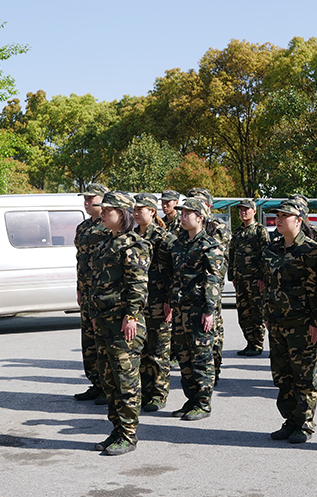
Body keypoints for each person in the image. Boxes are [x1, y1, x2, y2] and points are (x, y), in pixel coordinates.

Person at [87, 191, 150, 456]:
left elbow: (138, 285)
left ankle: (128, 434)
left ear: (121, 214)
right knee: (109, 380)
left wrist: (132, 316)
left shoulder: (134, 244)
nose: (102, 213)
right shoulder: (105, 243)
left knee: (126, 381)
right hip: (103, 321)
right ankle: (116, 430)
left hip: (123, 323)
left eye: (107, 210)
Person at [261, 199, 317, 445]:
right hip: (276, 322)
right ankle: (290, 420)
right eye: (278, 215)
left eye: (285, 215)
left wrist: (316, 321)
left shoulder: (310, 250)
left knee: (303, 376)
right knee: (282, 375)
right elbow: (266, 287)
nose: (279, 219)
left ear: (298, 221)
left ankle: (305, 424)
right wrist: (266, 315)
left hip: (301, 323)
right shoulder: (271, 249)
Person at [168, 197, 225, 421]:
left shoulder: (210, 245)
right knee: (184, 357)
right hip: (181, 309)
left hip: (200, 309)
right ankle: (191, 399)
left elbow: (213, 280)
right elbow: (175, 276)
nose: (182, 217)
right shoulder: (180, 244)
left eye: (187, 214)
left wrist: (209, 311)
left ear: (200, 217)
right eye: (181, 214)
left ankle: (203, 402)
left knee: (201, 357)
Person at [133, 193, 175, 412]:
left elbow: (172, 273)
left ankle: (158, 394)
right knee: (141, 350)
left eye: (142, 209)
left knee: (158, 350)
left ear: (152, 212)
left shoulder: (163, 237)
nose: (137, 212)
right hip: (139, 303)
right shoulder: (131, 236)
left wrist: (169, 300)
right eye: (135, 209)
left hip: (159, 301)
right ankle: (145, 391)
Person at [186, 188, 230, 385]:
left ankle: (214, 369)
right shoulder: (185, 228)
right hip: (190, 290)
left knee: (213, 330)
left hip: (212, 284)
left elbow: (215, 261)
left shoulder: (219, 228)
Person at [73, 183, 111, 404]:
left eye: (91, 198)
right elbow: (80, 260)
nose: (87, 202)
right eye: (85, 199)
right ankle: (96, 383)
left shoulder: (109, 227)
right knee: (88, 340)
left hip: (102, 292)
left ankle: (108, 386)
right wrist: (79, 288)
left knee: (103, 340)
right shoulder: (83, 227)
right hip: (86, 291)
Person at [228, 198, 269, 357]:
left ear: (253, 211)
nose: (243, 212)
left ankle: (257, 343)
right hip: (240, 279)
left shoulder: (260, 230)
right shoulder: (237, 232)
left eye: (246, 209)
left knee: (256, 312)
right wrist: (231, 273)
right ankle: (249, 342)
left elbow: (265, 255)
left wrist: (262, 277)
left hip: (254, 279)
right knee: (243, 313)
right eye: (241, 209)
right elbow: (232, 253)